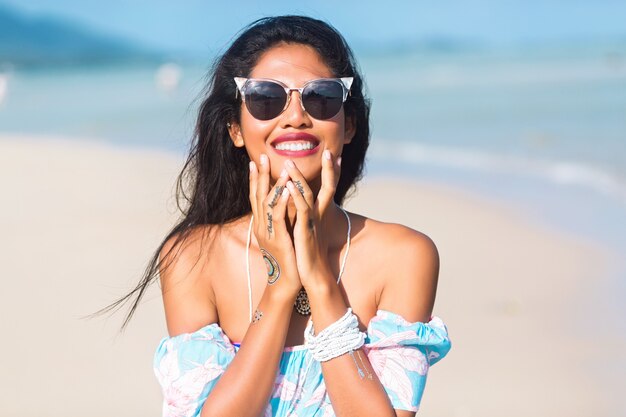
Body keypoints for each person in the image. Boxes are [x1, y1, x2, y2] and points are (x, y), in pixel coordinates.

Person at [107, 15, 450, 417]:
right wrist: (281, 285)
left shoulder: (404, 256)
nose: (295, 116)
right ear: (235, 128)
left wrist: (319, 280)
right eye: (266, 98)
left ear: (349, 124)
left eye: (320, 97)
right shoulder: (191, 257)